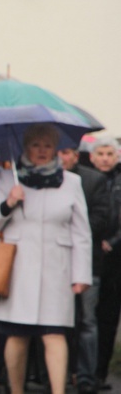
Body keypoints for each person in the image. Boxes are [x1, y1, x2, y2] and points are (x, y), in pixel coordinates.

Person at [0, 124, 92, 394]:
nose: (41, 151)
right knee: (17, 335)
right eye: (35, 145)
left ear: (56, 149)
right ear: (25, 147)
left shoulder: (71, 182)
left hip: (57, 271)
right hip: (19, 271)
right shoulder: (8, 179)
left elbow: (81, 233)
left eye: (47, 145)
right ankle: (16, 390)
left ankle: (58, 391)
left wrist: (81, 275)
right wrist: (8, 203)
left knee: (55, 334)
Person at [58, 147, 110, 393]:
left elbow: (103, 219)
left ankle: (87, 377)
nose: (61, 157)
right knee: (55, 323)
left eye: (66, 152)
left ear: (76, 156)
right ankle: (58, 375)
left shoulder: (92, 180)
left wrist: (71, 228)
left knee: (87, 322)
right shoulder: (42, 182)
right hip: (55, 264)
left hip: (89, 263)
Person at [88, 137, 121, 390]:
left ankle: (100, 372)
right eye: (101, 153)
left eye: (110, 153)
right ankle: (82, 371)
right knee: (85, 318)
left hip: (115, 258)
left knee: (109, 318)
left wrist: (111, 241)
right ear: (92, 156)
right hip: (88, 255)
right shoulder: (82, 180)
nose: (105, 158)